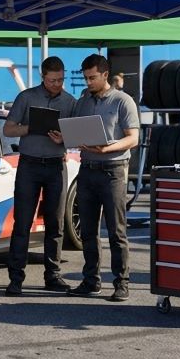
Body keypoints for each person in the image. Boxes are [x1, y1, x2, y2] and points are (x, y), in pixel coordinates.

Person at [61, 54, 140, 302]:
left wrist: (108, 148)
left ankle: (121, 283)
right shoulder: (83, 101)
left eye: (92, 77)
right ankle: (91, 281)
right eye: (85, 77)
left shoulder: (123, 101)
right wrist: (65, 137)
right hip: (87, 169)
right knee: (87, 230)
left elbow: (133, 138)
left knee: (116, 231)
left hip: (113, 170)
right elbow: (76, 130)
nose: (88, 82)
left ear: (105, 75)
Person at [1, 56, 77, 295]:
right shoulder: (26, 97)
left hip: (56, 165)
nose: (57, 84)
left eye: (61, 80)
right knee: (22, 222)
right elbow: (8, 129)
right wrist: (32, 127)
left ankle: (53, 275)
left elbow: (78, 137)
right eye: (53, 80)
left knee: (56, 223)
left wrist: (64, 138)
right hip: (29, 165)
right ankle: (16, 278)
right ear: (42, 76)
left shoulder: (70, 102)